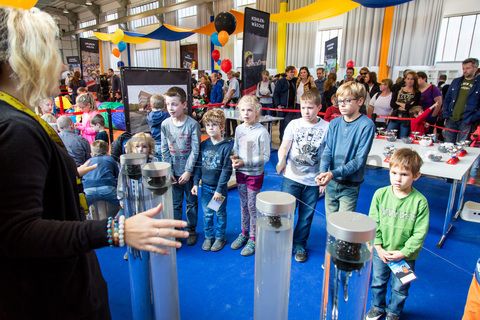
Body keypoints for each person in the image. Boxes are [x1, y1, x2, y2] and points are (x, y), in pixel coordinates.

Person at [0, 7, 188, 319]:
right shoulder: (15, 129)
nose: (61, 65)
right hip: (50, 294)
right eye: (52, 53)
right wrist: (117, 230)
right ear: (25, 58)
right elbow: (18, 231)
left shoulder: (14, 121)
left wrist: (63, 175)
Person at [366, 148, 429, 320]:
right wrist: (378, 246)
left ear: (416, 176)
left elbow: (420, 233)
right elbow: (373, 221)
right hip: (382, 252)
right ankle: (377, 307)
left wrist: (403, 252)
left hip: (404, 256)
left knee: (401, 287)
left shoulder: (420, 202)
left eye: (404, 174)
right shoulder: (380, 195)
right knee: (378, 282)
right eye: (393, 172)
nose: (397, 178)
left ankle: (394, 311)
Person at [276, 88, 329, 263]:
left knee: (306, 216)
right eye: (303, 107)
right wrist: (281, 159)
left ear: (319, 107)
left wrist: (324, 180)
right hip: (292, 177)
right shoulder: (294, 124)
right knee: (286, 212)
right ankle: (283, 243)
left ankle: (299, 244)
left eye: (311, 108)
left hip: (313, 181)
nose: (306, 111)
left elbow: (327, 155)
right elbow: (284, 146)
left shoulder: (327, 127)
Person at [315, 81, 375, 215]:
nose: (341, 104)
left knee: (343, 225)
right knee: (330, 224)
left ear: (360, 101)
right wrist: (323, 172)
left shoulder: (366, 125)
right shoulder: (334, 123)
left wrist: (332, 173)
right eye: (339, 100)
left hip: (350, 185)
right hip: (331, 182)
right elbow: (327, 150)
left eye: (347, 100)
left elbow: (359, 160)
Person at [230, 95, 270, 256]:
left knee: (253, 206)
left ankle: (254, 237)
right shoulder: (239, 129)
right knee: (243, 204)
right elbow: (235, 147)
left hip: (254, 174)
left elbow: (266, 157)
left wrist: (244, 161)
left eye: (249, 110)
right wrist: (234, 157)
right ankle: (244, 233)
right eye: (243, 110)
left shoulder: (262, 132)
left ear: (256, 111)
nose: (246, 113)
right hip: (240, 173)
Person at [161, 86, 201, 246]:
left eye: (174, 104)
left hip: (188, 173)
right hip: (173, 173)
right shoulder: (165, 124)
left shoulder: (192, 125)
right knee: (175, 204)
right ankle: (177, 230)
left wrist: (188, 171)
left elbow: (195, 149)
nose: (170, 108)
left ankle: (191, 229)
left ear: (184, 104)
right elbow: (164, 148)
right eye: (168, 104)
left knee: (191, 202)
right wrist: (168, 169)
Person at [192, 109, 233, 252]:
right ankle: (209, 237)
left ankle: (220, 237)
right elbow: (198, 166)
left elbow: (226, 171)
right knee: (207, 213)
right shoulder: (204, 145)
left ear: (222, 127)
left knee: (219, 213)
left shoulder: (227, 146)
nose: (210, 127)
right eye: (208, 124)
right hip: (206, 188)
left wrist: (219, 190)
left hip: (218, 189)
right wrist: (195, 183)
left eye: (214, 125)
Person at [443, 58, 480, 143]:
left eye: (468, 68)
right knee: (447, 145)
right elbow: (447, 99)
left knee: (463, 147)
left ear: (475, 68)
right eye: (463, 68)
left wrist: (473, 117)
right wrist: (446, 114)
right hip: (451, 119)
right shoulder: (456, 81)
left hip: (467, 121)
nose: (465, 71)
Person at [82, 140, 119, 209]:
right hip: (107, 187)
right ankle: (116, 217)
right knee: (121, 205)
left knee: (83, 210)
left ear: (92, 153)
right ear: (107, 151)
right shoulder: (110, 159)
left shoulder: (88, 161)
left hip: (88, 189)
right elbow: (118, 175)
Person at [387, 71, 421, 138]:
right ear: (405, 79)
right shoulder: (398, 89)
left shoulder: (417, 92)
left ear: (415, 80)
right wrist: (405, 105)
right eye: (408, 78)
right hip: (395, 115)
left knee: (403, 137)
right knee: (389, 135)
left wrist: (399, 103)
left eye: (412, 79)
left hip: (407, 118)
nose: (409, 81)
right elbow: (392, 104)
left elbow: (412, 107)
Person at [273, 65, 297, 142]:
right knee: (283, 125)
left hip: (291, 107)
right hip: (283, 107)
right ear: (286, 72)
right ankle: (282, 140)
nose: (292, 74)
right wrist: (278, 105)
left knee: (289, 125)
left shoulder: (294, 81)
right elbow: (276, 93)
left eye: (293, 72)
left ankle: (287, 140)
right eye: (291, 72)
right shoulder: (281, 81)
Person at [147, 94, 169, 160]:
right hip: (165, 143)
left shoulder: (149, 116)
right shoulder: (166, 115)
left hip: (154, 143)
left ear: (151, 105)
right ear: (164, 104)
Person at [222, 70, 241, 137]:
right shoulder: (230, 82)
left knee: (232, 118)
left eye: (228, 74)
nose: (227, 76)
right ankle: (228, 133)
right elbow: (228, 91)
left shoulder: (234, 81)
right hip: (229, 100)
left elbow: (232, 91)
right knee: (227, 117)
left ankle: (234, 133)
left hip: (232, 101)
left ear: (231, 75)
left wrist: (227, 100)